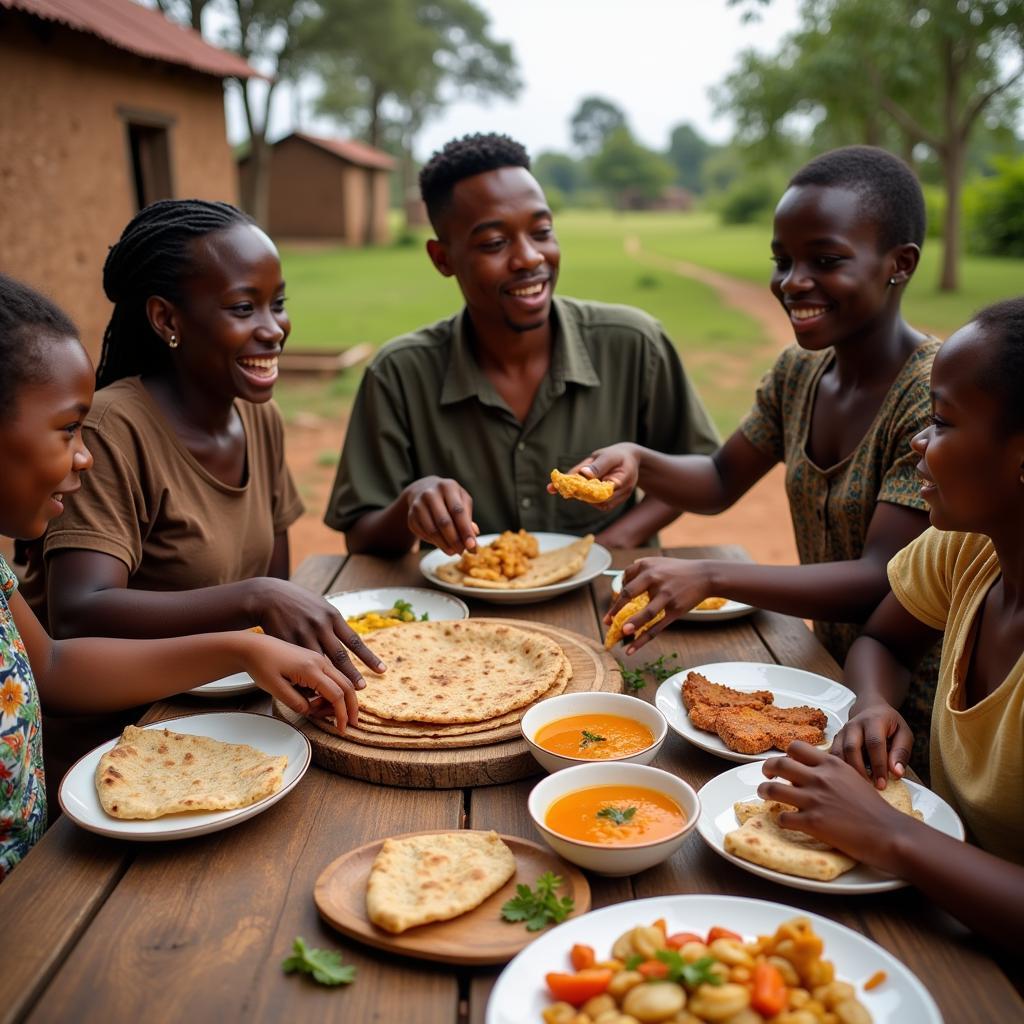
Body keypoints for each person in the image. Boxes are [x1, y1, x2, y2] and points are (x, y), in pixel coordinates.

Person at [0, 273, 372, 878]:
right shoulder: (125, 427)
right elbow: (78, 619)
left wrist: (241, 648)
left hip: (39, 870)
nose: (83, 453)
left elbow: (53, 668)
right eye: (68, 430)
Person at [587, 146, 940, 771]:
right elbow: (722, 479)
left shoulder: (931, 393)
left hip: (911, 708)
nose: (792, 281)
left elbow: (882, 576)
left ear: (899, 264)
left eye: (825, 260)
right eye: (783, 260)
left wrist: (714, 576)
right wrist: (640, 460)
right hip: (827, 679)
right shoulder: (800, 371)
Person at [758, 299, 1024, 949]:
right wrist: (876, 705)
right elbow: (882, 639)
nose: (917, 440)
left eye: (940, 421)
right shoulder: (973, 548)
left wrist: (890, 834)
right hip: (935, 910)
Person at [323, 133, 719, 556]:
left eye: (542, 231)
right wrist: (411, 504)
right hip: (461, 615)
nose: (530, 258)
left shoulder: (635, 344)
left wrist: (616, 540)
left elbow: (702, 472)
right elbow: (360, 534)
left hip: (606, 599)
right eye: (494, 243)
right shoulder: (399, 375)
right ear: (443, 259)